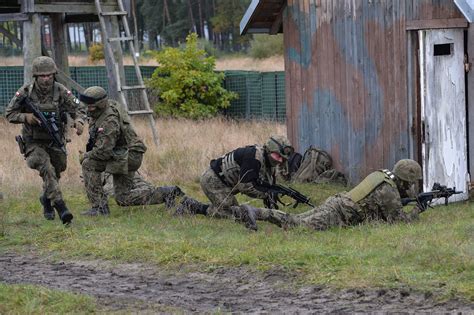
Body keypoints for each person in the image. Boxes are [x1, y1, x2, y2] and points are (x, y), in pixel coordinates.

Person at [6, 56, 86, 224]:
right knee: (47, 169)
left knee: (57, 172)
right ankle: (61, 207)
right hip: (33, 142)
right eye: (42, 76)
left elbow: (79, 108)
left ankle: (46, 199)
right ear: (35, 76)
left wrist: (79, 121)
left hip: (55, 140)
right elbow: (9, 114)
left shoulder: (61, 91)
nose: (46, 78)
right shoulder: (26, 92)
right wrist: (26, 117)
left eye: (49, 75)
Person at [79, 86, 183, 216]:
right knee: (123, 199)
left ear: (100, 104)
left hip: (127, 157)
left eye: (91, 106)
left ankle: (99, 208)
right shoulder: (107, 107)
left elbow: (102, 153)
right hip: (125, 154)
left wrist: (85, 155)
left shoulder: (109, 121)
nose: (88, 109)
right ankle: (168, 193)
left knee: (88, 163)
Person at [247, 159, 423, 231]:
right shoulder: (389, 191)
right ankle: (256, 213)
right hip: (337, 214)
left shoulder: (382, 175)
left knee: (295, 219)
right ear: (405, 180)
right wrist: (417, 210)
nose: (412, 186)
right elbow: (400, 223)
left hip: (337, 203)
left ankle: (251, 213)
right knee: (296, 225)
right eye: (412, 183)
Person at [176, 135, 294, 230]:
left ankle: (192, 205)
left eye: (282, 158)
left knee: (239, 212)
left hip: (229, 183)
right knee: (235, 214)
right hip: (214, 181)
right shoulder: (254, 157)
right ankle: (193, 206)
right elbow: (246, 186)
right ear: (269, 150)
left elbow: (267, 186)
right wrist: (268, 193)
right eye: (277, 156)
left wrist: (271, 205)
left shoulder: (269, 163)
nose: (280, 160)